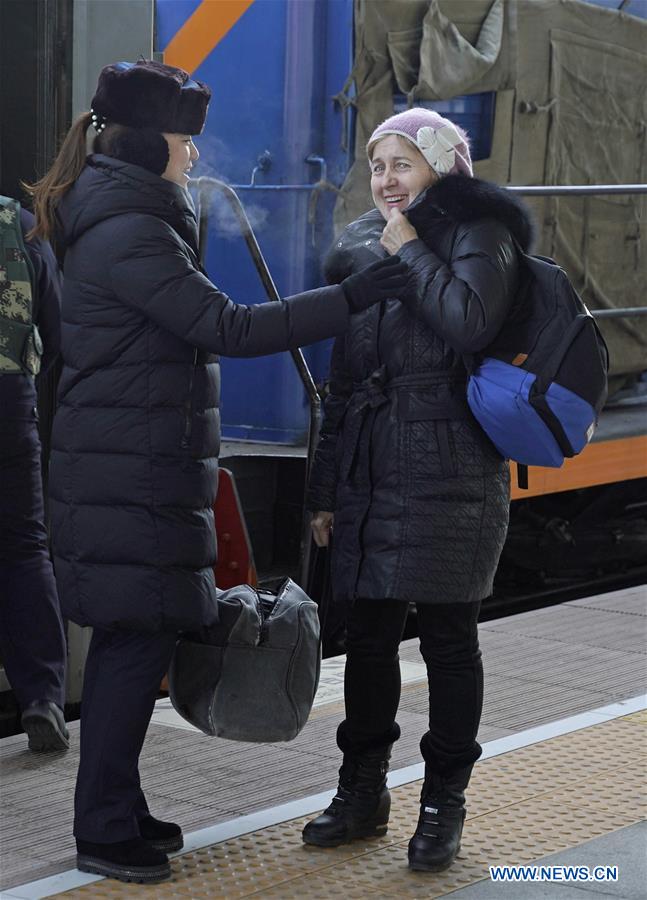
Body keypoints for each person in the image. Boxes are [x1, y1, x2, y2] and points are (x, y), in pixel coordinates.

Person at [24, 59, 409, 885]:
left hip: (131, 464)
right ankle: (102, 830)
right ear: (147, 144)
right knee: (132, 651)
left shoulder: (120, 216)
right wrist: (353, 296)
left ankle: (120, 808)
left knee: (139, 643)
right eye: (182, 142)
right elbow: (226, 326)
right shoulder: (131, 229)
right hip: (129, 471)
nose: (193, 157)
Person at [303, 107, 534, 872]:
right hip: (372, 471)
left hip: (451, 470)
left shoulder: (481, 236)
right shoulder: (362, 249)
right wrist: (322, 491)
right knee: (367, 641)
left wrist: (409, 249)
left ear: (441, 165)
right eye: (375, 167)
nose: (385, 181)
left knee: (446, 642)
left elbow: (469, 322)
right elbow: (341, 386)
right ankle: (360, 790)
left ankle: (443, 806)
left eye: (402, 163)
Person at [0, 195, 69, 752]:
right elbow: (58, 329)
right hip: (8, 405)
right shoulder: (21, 226)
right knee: (25, 547)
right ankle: (43, 696)